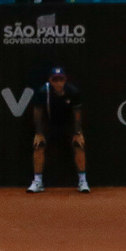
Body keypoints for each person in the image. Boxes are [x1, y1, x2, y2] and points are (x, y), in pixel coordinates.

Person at [28, 66, 87, 194]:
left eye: (61, 79)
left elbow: (77, 114)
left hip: (68, 125)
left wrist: (77, 133)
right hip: (49, 124)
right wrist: (39, 133)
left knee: (79, 144)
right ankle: (38, 181)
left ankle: (83, 180)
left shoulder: (73, 92)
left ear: (65, 80)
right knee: (38, 145)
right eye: (55, 80)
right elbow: (37, 112)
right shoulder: (43, 92)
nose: (58, 83)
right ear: (50, 80)